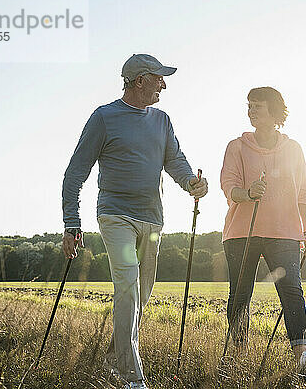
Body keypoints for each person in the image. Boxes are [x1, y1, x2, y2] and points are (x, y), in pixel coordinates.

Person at [61, 54, 208, 389]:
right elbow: (75, 174)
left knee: (140, 297)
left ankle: (114, 361)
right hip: (116, 216)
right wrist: (72, 222)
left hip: (153, 220)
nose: (164, 84)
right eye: (159, 78)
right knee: (127, 289)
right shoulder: (104, 118)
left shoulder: (162, 120)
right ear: (139, 80)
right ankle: (132, 378)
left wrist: (191, 183)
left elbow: (175, 160)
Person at [220, 86, 306, 374]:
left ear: (274, 112)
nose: (251, 110)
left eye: (258, 106)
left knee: (292, 289)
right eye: (249, 105)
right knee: (240, 294)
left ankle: (302, 357)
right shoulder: (236, 146)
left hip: (285, 232)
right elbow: (228, 186)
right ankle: (240, 355)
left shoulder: (293, 149)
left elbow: (304, 191)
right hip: (242, 232)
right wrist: (248, 192)